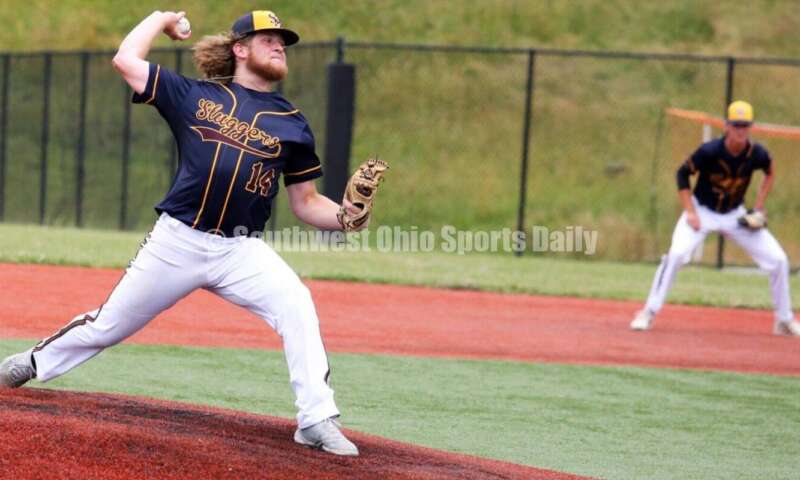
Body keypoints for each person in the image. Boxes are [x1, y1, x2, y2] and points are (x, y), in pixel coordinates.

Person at [0, 10, 361, 456]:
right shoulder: (194, 95)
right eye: (269, 38)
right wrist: (161, 18)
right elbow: (126, 60)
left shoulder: (292, 122)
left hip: (240, 248)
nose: (279, 45)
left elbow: (306, 203)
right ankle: (32, 362)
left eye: (283, 41)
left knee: (297, 304)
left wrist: (346, 215)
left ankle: (316, 419)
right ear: (240, 48)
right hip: (178, 241)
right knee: (108, 325)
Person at [630, 101, 799, 336]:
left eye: (745, 125)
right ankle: (648, 311)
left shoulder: (756, 153)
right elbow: (682, 174)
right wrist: (690, 211)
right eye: (736, 125)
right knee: (676, 255)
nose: (741, 130)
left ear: (750, 127)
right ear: (727, 126)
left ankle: (784, 320)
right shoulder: (710, 151)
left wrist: (759, 206)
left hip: (734, 214)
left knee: (779, 259)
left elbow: (770, 170)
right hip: (702, 211)